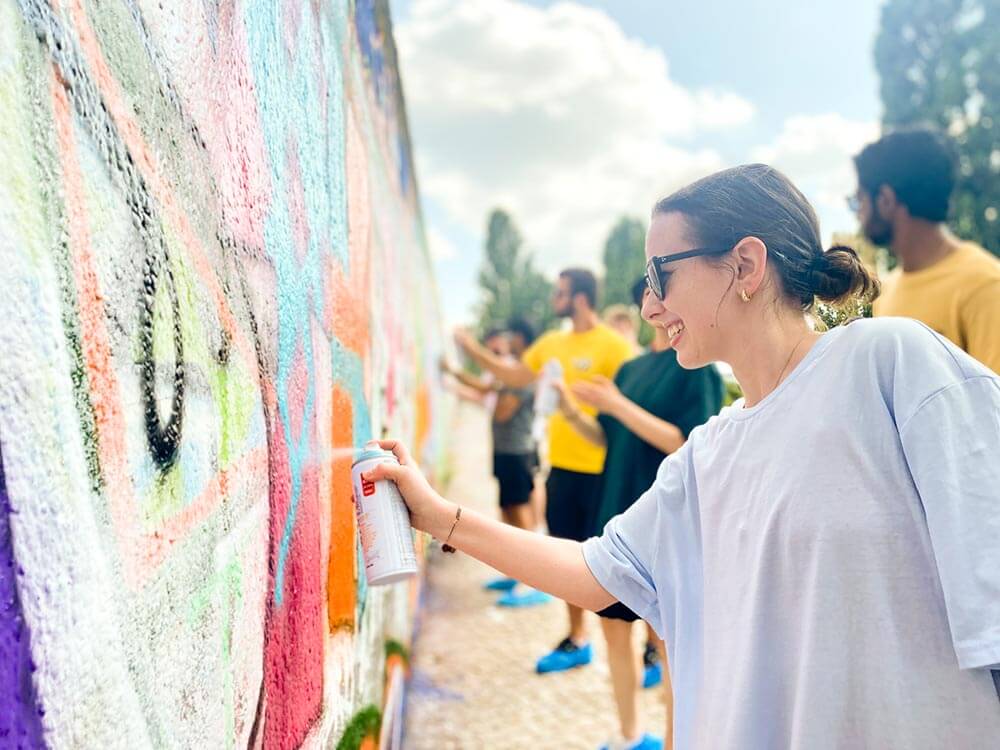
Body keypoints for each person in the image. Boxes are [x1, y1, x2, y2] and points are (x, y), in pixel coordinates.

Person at [367, 164, 1000, 749]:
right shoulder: (707, 455)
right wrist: (437, 516)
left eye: (659, 275)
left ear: (745, 266)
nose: (648, 305)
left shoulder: (890, 363)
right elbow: (597, 574)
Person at [556, 275, 723, 750]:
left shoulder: (696, 368)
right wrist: (572, 411)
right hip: (617, 511)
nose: (655, 305)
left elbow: (685, 442)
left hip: (669, 523)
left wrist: (616, 403)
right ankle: (630, 736)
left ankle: (675, 741)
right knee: (612, 629)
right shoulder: (630, 371)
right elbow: (606, 441)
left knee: (669, 642)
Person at [455, 269, 633, 673]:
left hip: (607, 474)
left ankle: (650, 646)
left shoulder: (614, 346)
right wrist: (472, 350)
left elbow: (631, 406)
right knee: (569, 558)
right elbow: (513, 375)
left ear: (581, 298)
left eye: (561, 292)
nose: (555, 297)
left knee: (625, 563)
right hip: (563, 471)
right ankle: (577, 639)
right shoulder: (552, 344)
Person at [852, 126, 1000, 372]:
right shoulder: (887, 292)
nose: (858, 213)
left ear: (885, 200)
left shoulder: (984, 286)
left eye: (859, 199)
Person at [441, 328, 548, 606]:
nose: (504, 343)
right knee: (507, 511)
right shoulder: (508, 377)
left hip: (518, 452)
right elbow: (483, 388)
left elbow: (501, 411)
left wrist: (497, 386)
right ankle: (516, 573)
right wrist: (452, 371)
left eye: (510, 338)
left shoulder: (523, 376)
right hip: (504, 451)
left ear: (521, 341)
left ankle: (534, 582)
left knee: (521, 517)